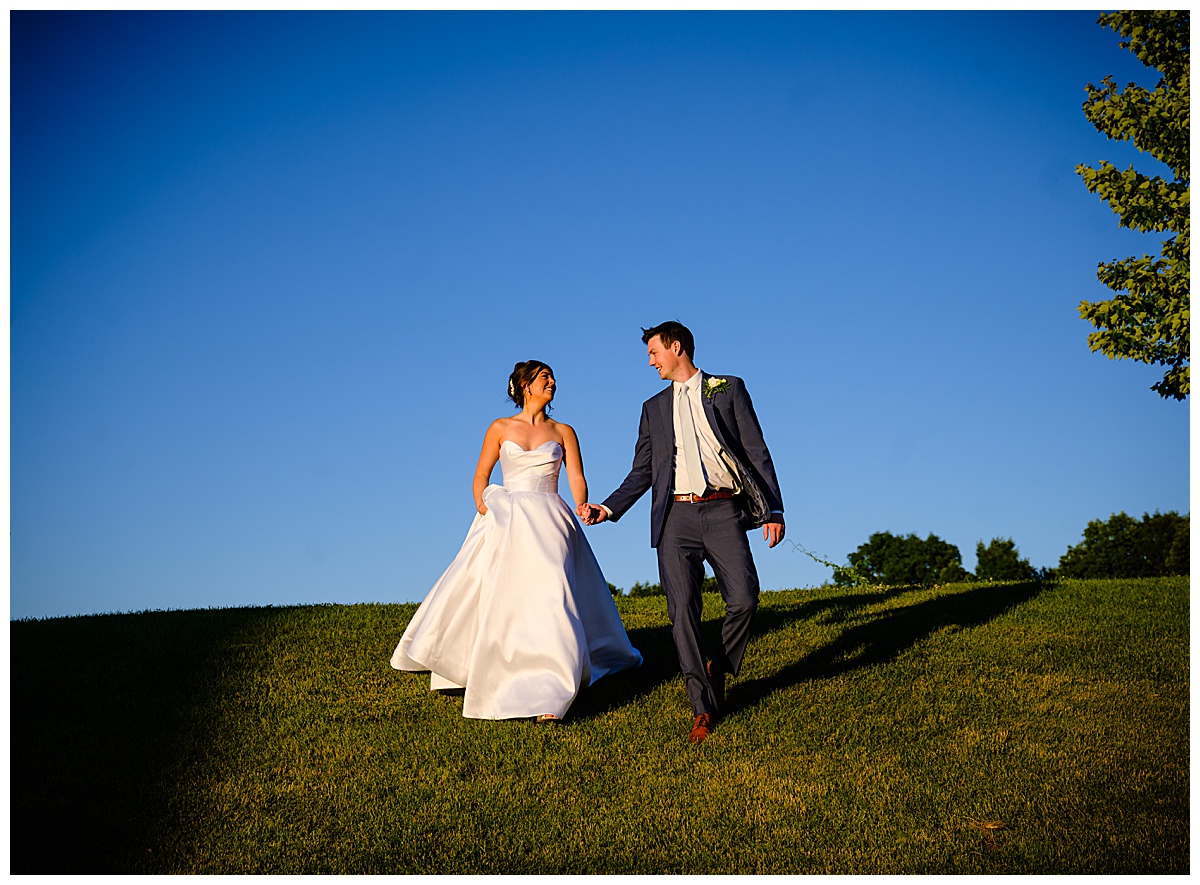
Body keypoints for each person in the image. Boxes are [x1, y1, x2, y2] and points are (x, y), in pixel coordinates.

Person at [391, 360, 642, 722]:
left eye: (553, 377)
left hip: (550, 518)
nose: (552, 382)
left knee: (553, 595)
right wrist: (482, 503)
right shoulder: (499, 427)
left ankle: (553, 691)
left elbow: (576, 475)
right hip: (507, 516)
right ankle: (498, 669)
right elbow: (481, 473)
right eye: (545, 377)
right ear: (525, 385)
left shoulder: (564, 431)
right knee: (504, 594)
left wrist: (582, 503)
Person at [578, 322, 784, 744]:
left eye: (654, 352)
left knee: (744, 598)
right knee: (682, 615)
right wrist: (609, 507)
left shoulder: (728, 388)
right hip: (676, 519)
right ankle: (703, 710)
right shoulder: (653, 407)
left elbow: (756, 449)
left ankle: (719, 666)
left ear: (676, 348)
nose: (650, 362)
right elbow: (642, 471)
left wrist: (773, 509)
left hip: (725, 509)